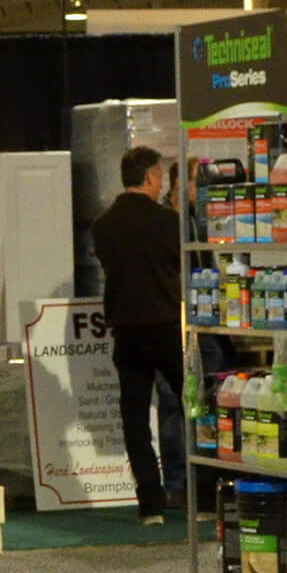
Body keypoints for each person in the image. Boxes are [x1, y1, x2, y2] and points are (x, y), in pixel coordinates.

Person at [90, 145, 186, 523]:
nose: (161, 183)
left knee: (134, 418)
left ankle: (150, 504)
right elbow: (186, 266)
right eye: (160, 176)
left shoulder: (103, 225)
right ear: (149, 177)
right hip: (167, 326)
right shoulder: (168, 222)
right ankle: (202, 490)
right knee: (192, 406)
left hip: (126, 330)